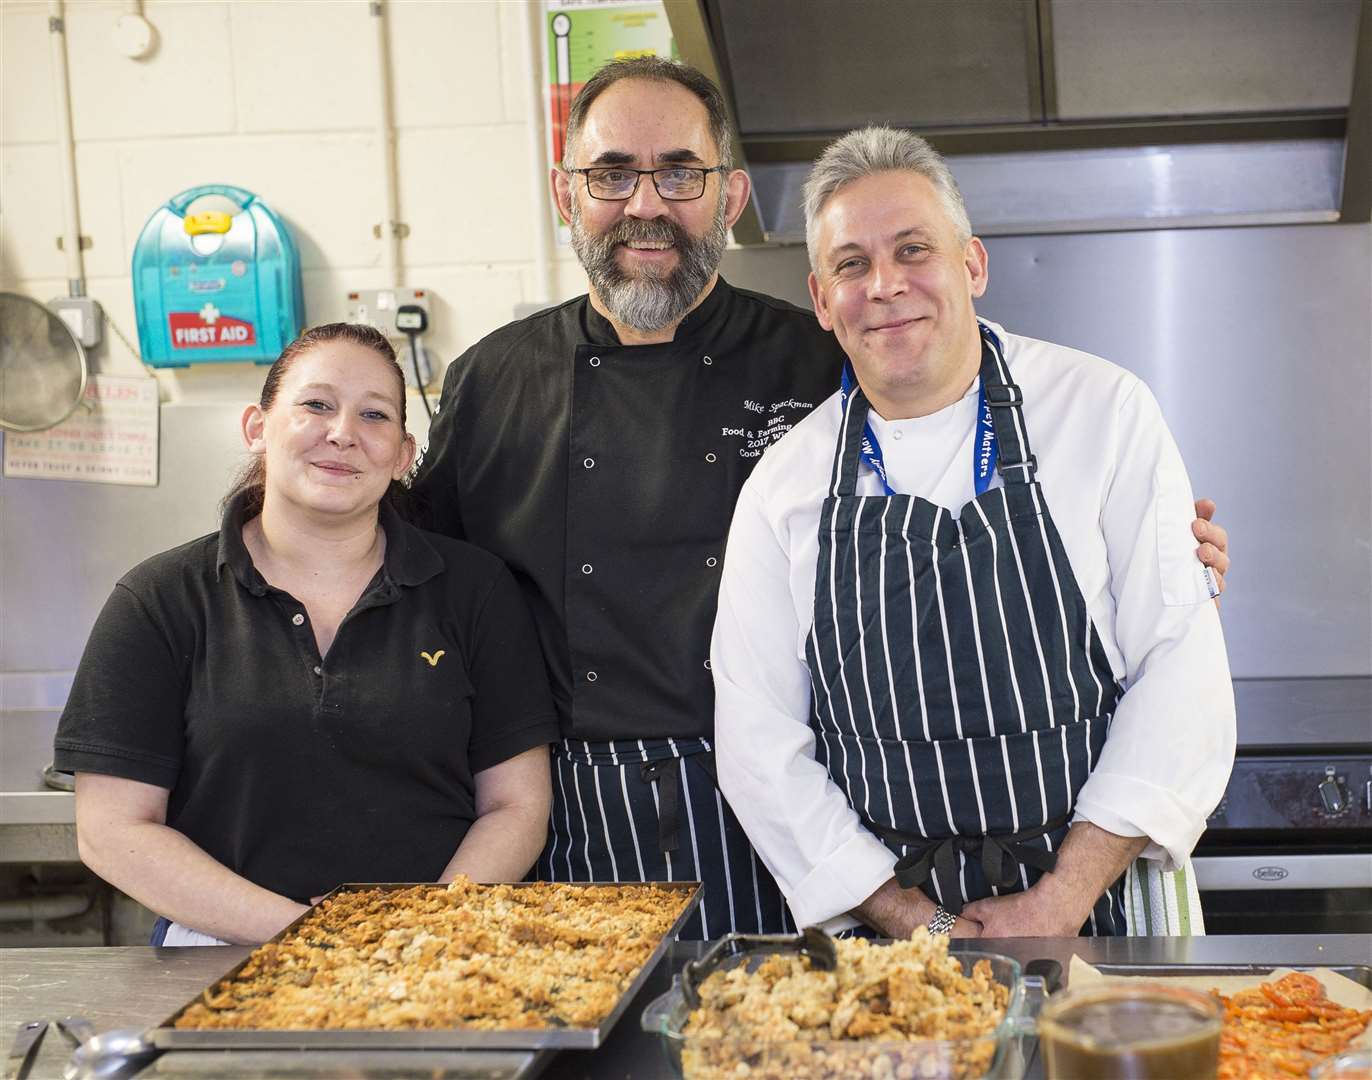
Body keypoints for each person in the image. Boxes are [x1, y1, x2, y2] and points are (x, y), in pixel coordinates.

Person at [413, 58, 1232, 939]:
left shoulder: (838, 363)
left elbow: (1163, 644)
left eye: (681, 171)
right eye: (611, 173)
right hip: (590, 814)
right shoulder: (494, 384)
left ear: (729, 196)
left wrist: (1174, 560)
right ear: (567, 195)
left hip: (824, 847)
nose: (645, 202)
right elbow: (422, 586)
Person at [711, 127, 1237, 939]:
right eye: (851, 264)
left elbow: (1180, 668)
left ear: (973, 265)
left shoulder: (1103, 411)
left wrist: (1063, 897)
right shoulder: (783, 486)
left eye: (913, 249)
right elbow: (758, 741)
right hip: (891, 942)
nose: (885, 285)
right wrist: (905, 917)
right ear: (822, 300)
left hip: (1102, 913)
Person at [55, 323, 558, 946]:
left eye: (374, 415)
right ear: (257, 427)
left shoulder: (474, 590)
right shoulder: (159, 599)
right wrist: (310, 934)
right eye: (316, 404)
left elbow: (517, 807)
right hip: (220, 953)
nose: (343, 432)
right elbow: (112, 829)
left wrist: (425, 927)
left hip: (438, 950)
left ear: (403, 455)